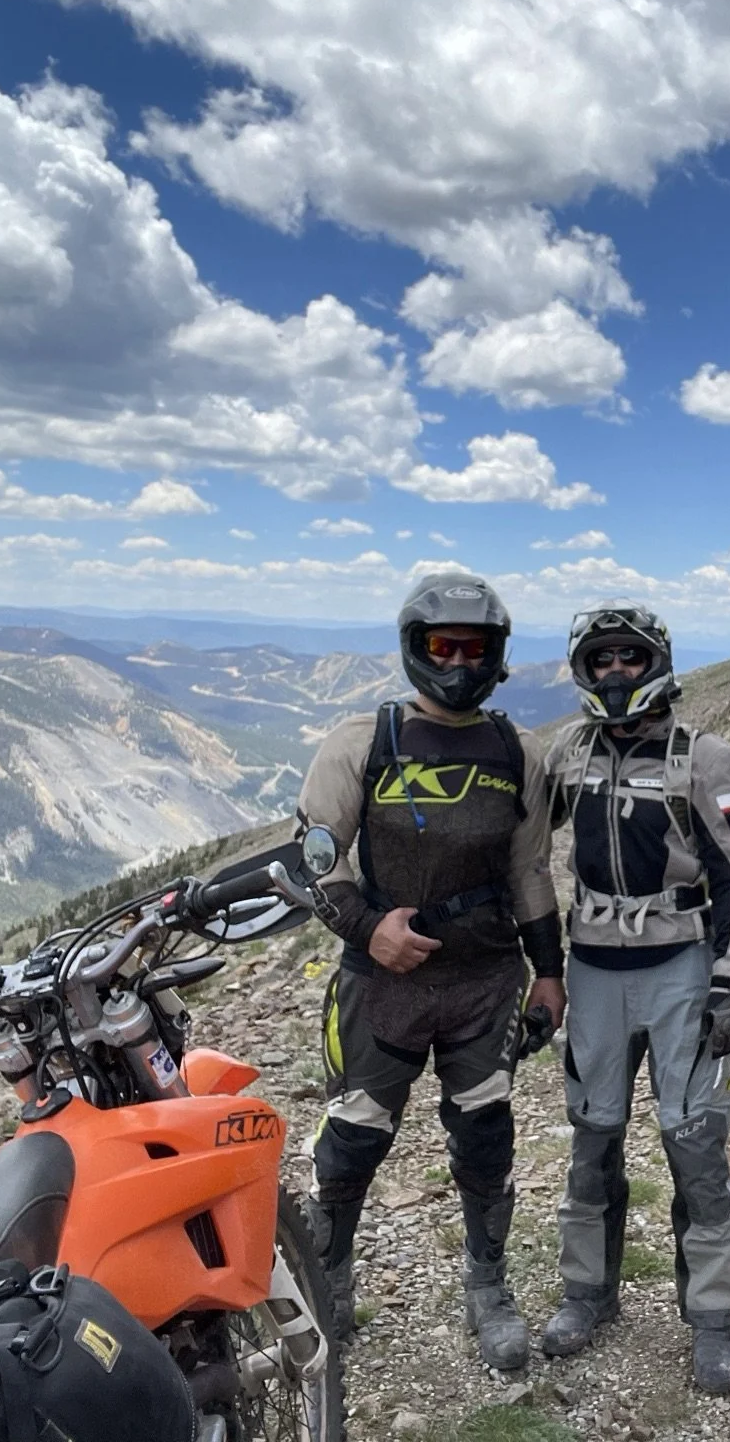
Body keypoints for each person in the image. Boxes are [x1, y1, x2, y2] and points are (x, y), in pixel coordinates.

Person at [295, 572, 566, 1373]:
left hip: (485, 982)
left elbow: (532, 874)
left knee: (486, 1135)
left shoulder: (516, 753)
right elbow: (314, 866)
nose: (458, 661)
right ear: (416, 648)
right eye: (442, 645)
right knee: (354, 1136)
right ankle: (329, 1278)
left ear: (497, 656)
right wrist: (369, 927)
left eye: (473, 647)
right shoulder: (361, 742)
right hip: (382, 986)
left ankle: (488, 1287)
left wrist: (548, 975)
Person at [538, 602, 730, 1395]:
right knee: (591, 1142)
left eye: (628, 658)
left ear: (656, 661)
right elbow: (522, 845)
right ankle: (587, 1296)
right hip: (594, 971)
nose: (615, 673)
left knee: (695, 1146)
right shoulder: (568, 755)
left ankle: (711, 1321)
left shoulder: (704, 758)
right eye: (600, 661)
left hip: (679, 972)